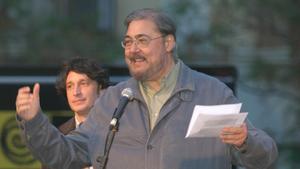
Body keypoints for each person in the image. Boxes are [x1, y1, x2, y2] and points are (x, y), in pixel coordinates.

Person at [15, 8, 278, 169]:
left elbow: (264, 158)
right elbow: (65, 156)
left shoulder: (212, 93)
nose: (132, 49)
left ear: (168, 43)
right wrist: (34, 121)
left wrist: (246, 141)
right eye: (128, 42)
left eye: (142, 40)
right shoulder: (113, 100)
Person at [41, 57, 109, 169]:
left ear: (100, 89)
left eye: (83, 83)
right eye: (70, 86)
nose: (76, 92)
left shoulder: (121, 130)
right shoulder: (58, 138)